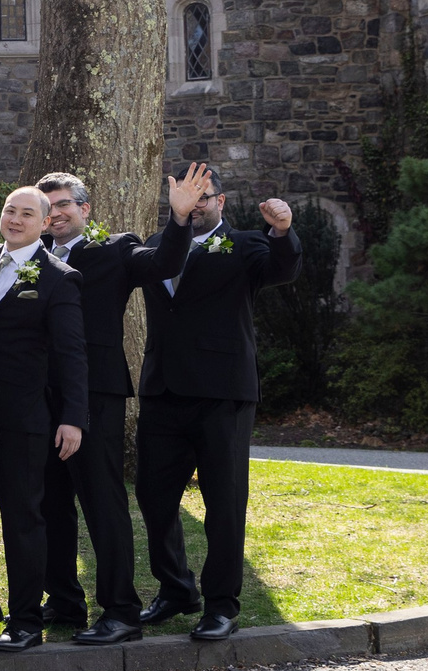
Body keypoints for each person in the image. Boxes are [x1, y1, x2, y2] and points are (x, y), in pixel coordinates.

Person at [31, 165, 205, 645]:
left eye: (65, 204)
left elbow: (165, 262)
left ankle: (121, 612)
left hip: (94, 394)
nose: (56, 214)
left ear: (84, 209)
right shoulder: (29, 255)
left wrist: (180, 218)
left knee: (102, 500)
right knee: (49, 502)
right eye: (48, 208)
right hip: (37, 399)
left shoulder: (113, 251)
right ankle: (64, 600)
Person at [133, 166, 298, 641]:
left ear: (221, 203)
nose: (195, 203)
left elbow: (283, 269)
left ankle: (222, 604)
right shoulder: (156, 244)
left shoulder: (245, 245)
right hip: (162, 391)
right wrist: (176, 225)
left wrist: (282, 230)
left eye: (203, 196)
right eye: (185, 196)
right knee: (153, 495)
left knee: (224, 502)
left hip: (222, 394)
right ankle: (176, 590)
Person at [0, 187, 88, 651]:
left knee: (22, 519)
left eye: (28, 213)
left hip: (23, 418)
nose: (16, 218)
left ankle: (26, 620)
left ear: (45, 223)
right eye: (10, 210)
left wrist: (72, 417)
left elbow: (71, 354)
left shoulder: (58, 278)